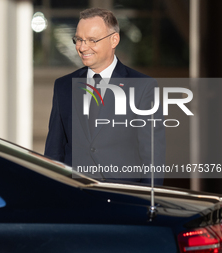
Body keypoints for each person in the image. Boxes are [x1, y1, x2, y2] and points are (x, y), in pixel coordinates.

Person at [44, 7, 165, 185]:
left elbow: (152, 156)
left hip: (123, 198)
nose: (83, 47)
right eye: (79, 39)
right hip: (74, 197)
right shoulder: (63, 86)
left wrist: (146, 204)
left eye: (92, 40)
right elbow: (54, 151)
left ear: (114, 39)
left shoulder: (143, 87)